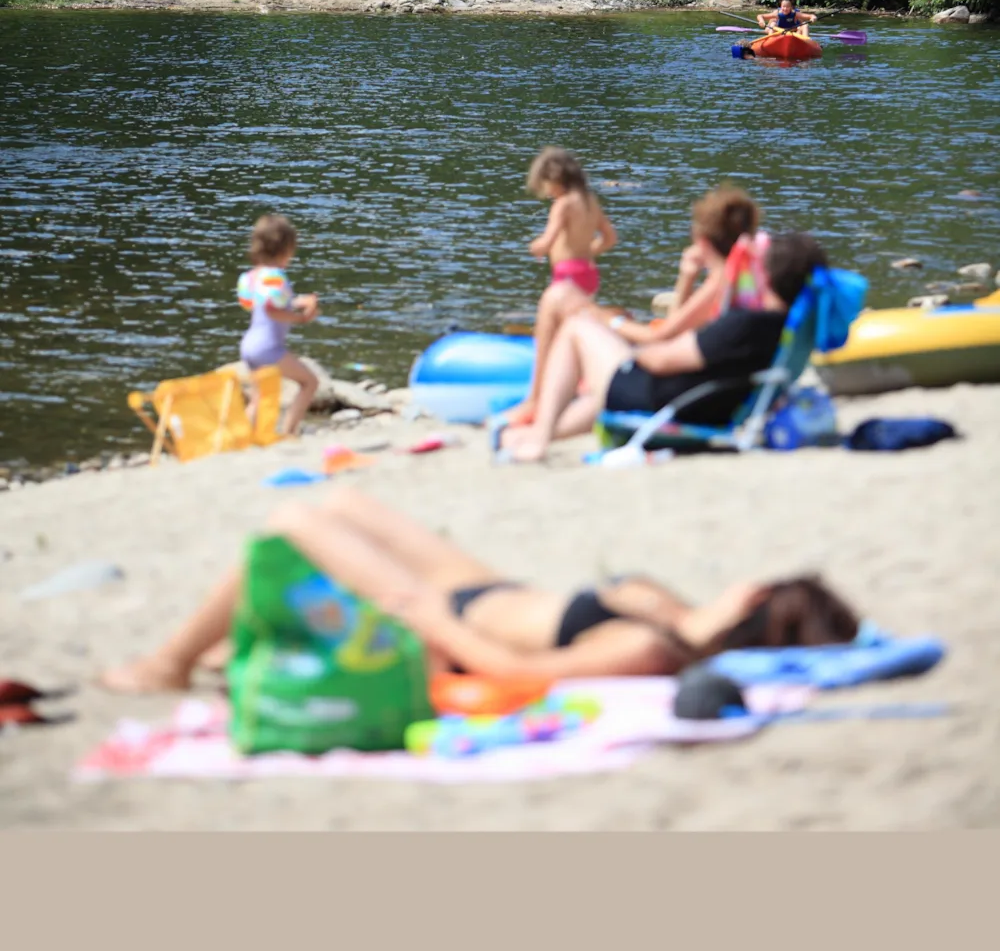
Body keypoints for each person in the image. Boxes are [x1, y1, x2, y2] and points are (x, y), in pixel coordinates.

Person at [99, 486, 859, 691]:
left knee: (292, 521)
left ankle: (168, 664)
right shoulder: (685, 626)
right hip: (489, 589)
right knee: (339, 506)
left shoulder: (650, 652)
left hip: (464, 626)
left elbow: (524, 673)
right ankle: (240, 646)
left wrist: (431, 619)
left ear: (758, 601)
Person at [497, 232, 828, 463]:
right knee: (606, 372)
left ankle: (538, 437)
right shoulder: (785, 329)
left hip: (660, 401)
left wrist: (630, 346)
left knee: (577, 328)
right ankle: (538, 434)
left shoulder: (747, 324)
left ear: (765, 275)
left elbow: (661, 361)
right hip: (701, 407)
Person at [507, 148, 617, 425]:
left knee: (551, 334)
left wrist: (536, 247)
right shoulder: (590, 201)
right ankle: (575, 387)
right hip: (588, 273)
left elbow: (547, 240)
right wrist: (588, 251)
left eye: (546, 183)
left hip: (567, 277)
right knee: (576, 331)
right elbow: (609, 237)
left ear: (556, 178)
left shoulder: (563, 205)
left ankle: (536, 399)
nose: (545, 190)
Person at [601, 187, 767, 351]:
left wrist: (611, 321)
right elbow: (678, 326)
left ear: (702, 241)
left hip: (710, 371)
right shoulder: (750, 273)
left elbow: (662, 337)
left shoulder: (722, 280)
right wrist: (688, 276)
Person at [238, 214, 320, 437]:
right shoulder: (276, 277)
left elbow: (256, 303)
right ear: (286, 249)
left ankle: (243, 436)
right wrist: (301, 318)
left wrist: (298, 302)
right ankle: (289, 432)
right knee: (310, 382)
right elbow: (271, 309)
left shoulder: (251, 276)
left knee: (259, 397)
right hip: (268, 347)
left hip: (249, 345)